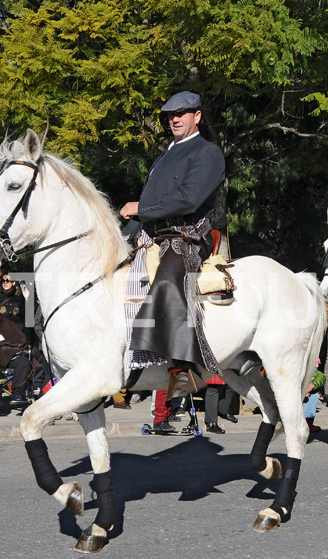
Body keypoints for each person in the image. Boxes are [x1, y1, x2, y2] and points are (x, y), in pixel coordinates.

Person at [119, 90, 226, 399]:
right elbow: (150, 206)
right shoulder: (165, 155)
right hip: (151, 235)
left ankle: (184, 368)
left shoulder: (208, 153)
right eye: (170, 115)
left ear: (198, 117)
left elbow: (188, 199)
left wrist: (141, 208)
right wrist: (125, 237)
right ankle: (126, 361)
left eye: (182, 113)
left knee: (168, 276)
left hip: (187, 237)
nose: (175, 119)